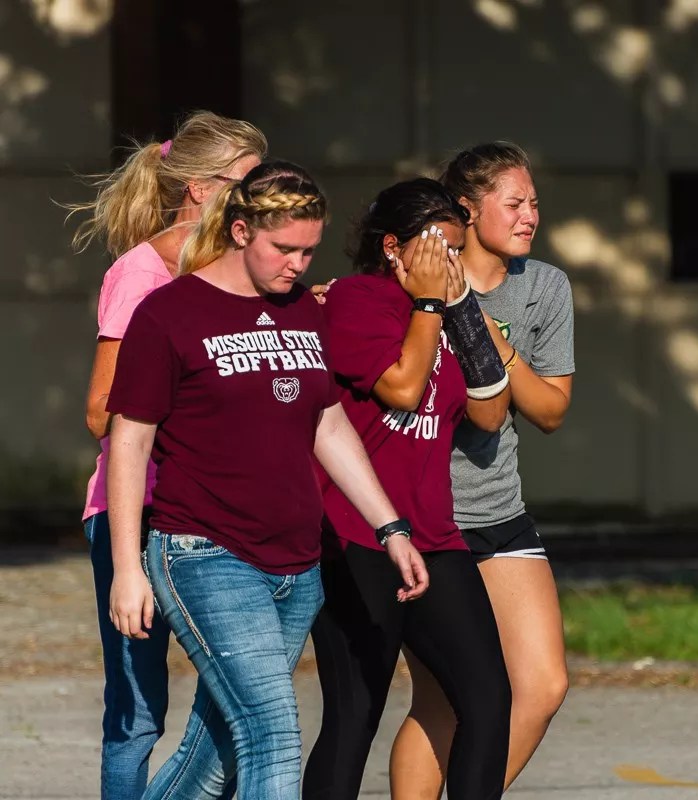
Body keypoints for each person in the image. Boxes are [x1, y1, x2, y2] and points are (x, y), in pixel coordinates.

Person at [105, 160, 430, 800]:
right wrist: (126, 567)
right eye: (284, 248)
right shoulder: (170, 314)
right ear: (240, 229)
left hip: (296, 566)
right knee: (273, 736)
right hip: (204, 555)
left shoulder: (303, 312)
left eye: (309, 251)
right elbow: (129, 442)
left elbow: (328, 424)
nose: (297, 265)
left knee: (218, 750)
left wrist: (390, 527)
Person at [67, 109, 266, 800]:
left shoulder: (244, 274)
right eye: (249, 182)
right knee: (138, 713)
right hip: (137, 510)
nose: (262, 196)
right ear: (202, 189)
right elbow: (101, 408)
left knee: (242, 698)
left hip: (216, 512)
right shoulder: (138, 273)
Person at [302, 178, 512, 800]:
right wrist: (425, 307)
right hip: (354, 535)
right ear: (392, 247)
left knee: (489, 698)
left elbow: (489, 412)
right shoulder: (355, 300)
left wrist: (458, 306)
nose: (449, 264)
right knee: (355, 714)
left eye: (457, 250)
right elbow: (400, 388)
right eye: (436, 248)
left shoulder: (446, 313)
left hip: (435, 534)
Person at [391, 142, 575, 798]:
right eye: (515, 203)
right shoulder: (414, 280)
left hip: (499, 511)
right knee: (442, 701)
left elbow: (551, 410)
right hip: (427, 521)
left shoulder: (545, 287)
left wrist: (491, 338)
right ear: (466, 211)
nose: (530, 217)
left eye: (535, 204)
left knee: (543, 685)